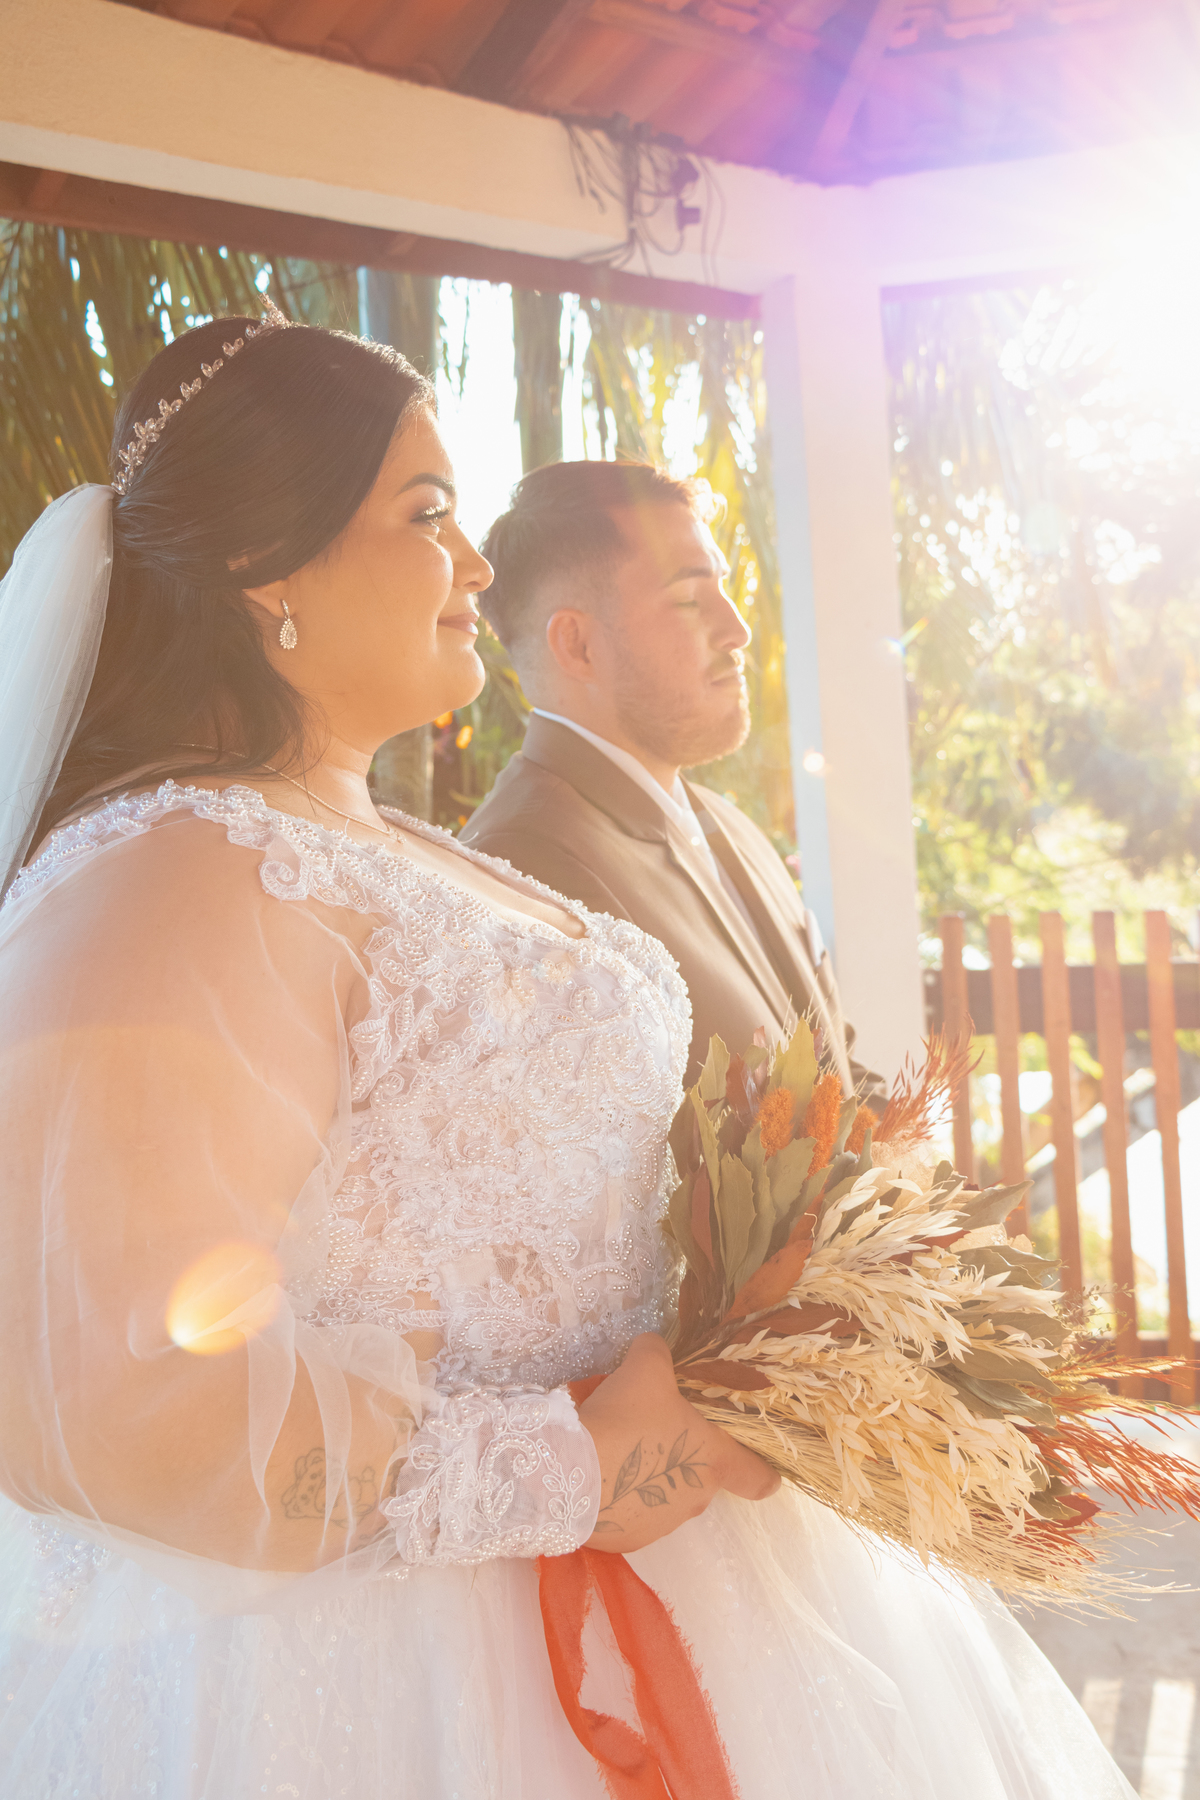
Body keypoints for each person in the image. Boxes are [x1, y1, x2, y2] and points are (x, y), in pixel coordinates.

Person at [0, 312, 1133, 1800]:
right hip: (397, 1685)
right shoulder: (187, 871)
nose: (475, 567)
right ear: (262, 566)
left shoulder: (373, 843)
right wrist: (563, 1472)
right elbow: (115, 1394)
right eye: (426, 515)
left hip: (701, 1598)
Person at [461, 459, 886, 1105]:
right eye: (691, 599)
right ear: (577, 645)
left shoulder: (728, 824)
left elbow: (838, 1079)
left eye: (724, 587)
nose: (737, 629)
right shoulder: (522, 871)